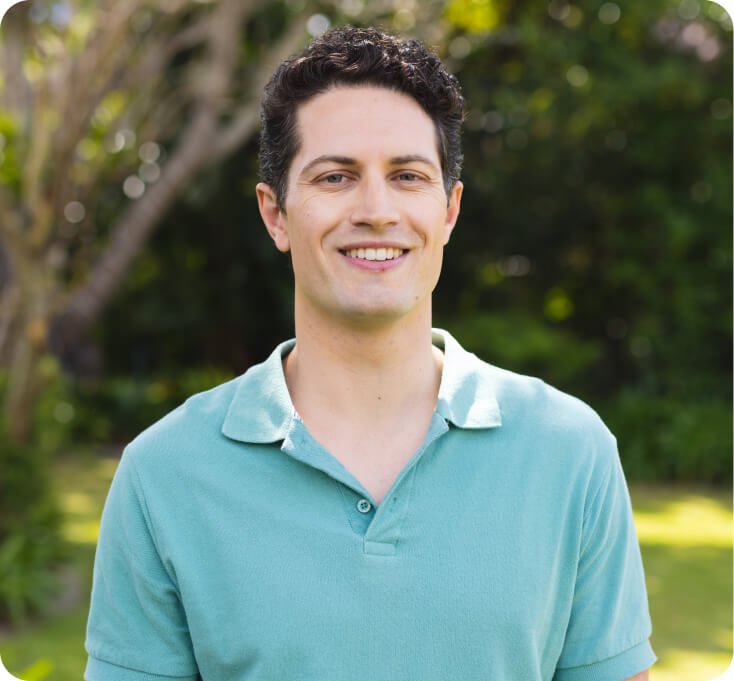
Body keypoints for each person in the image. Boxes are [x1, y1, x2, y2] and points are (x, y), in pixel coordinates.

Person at [85, 26, 655, 681]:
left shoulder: (571, 451)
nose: (377, 210)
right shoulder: (164, 474)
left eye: (407, 176)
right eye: (336, 176)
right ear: (275, 214)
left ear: (448, 210)